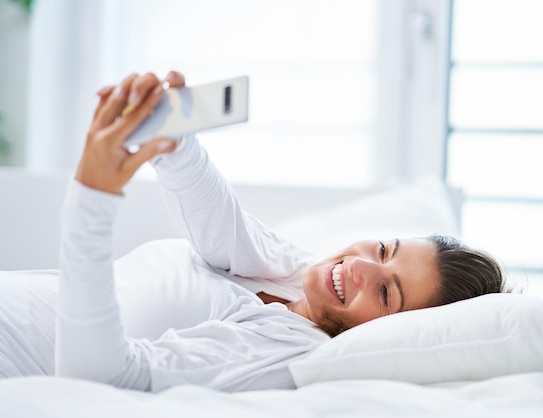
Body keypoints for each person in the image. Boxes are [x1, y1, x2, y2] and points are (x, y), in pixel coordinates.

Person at [1, 71, 504, 392]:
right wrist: (176, 140)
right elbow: (227, 234)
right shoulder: (298, 277)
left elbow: (102, 381)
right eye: (385, 249)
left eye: (387, 291)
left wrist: (92, 198)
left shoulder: (287, 350)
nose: (361, 266)